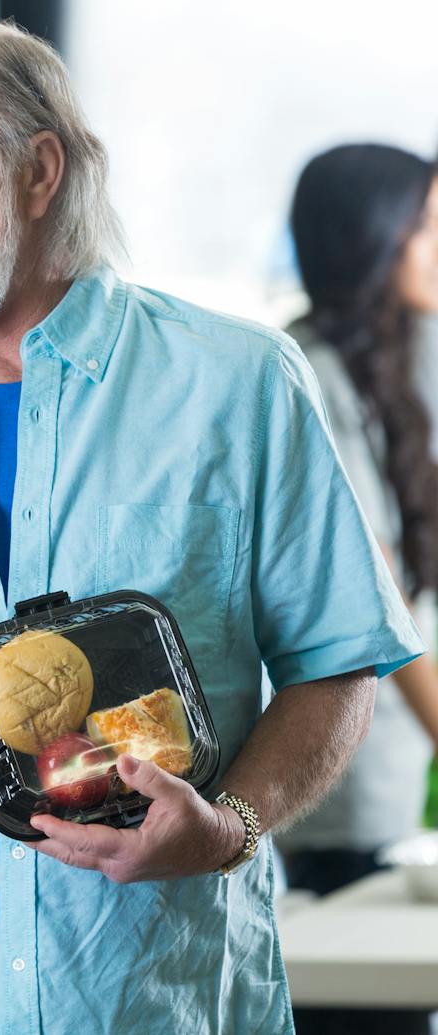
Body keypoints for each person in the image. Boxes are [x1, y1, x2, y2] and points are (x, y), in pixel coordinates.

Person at [0, 9, 423, 1034]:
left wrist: (225, 828)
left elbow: (336, 666)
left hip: (169, 1007)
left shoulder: (235, 386)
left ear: (37, 170)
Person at [279, 143, 438, 1035]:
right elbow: (384, 598)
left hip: (392, 773)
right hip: (339, 789)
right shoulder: (310, 370)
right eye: (427, 228)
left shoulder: (402, 356)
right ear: (373, 238)